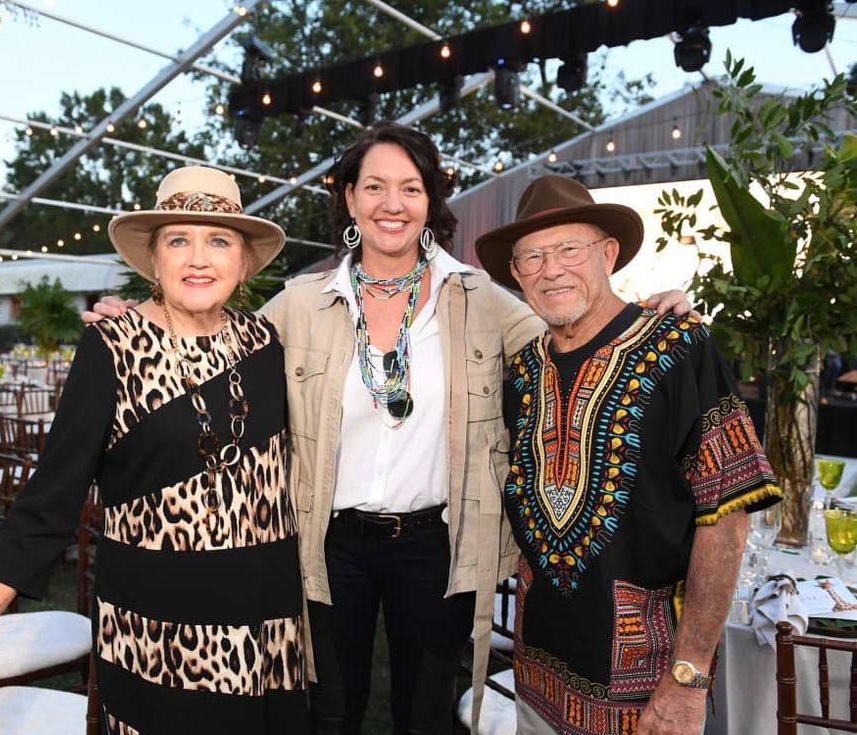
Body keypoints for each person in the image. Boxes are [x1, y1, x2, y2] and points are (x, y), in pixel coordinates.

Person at [85, 123, 693, 734]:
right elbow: (216, 337)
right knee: (329, 713)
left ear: (430, 200)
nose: (392, 203)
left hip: (437, 546)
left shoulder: (479, 298)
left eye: (409, 187)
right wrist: (143, 315)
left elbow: (571, 332)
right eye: (374, 186)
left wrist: (645, 310)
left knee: (424, 717)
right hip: (327, 544)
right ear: (350, 199)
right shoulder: (302, 301)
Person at [0, 167, 308, 734]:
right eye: (178, 240)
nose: (198, 259)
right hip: (161, 630)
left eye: (219, 240)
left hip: (266, 615)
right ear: (153, 260)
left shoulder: (264, 340)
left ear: (245, 261)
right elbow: (48, 503)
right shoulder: (112, 345)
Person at [474, 174, 783, 735]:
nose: (551, 269)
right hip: (536, 675)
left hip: (645, 693)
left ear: (608, 254)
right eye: (533, 258)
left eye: (570, 249)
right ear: (517, 275)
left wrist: (688, 678)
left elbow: (728, 517)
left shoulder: (680, 348)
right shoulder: (521, 373)